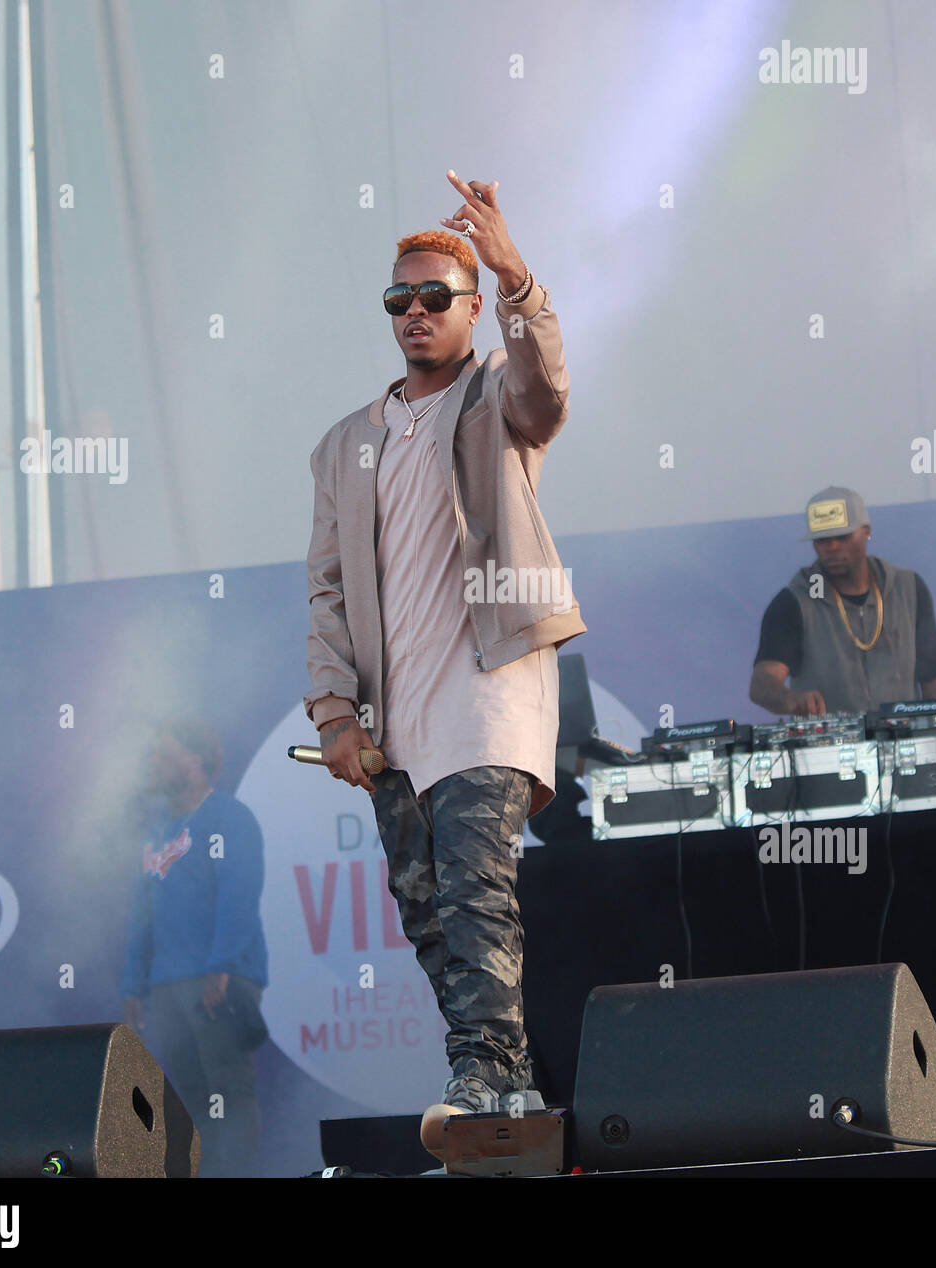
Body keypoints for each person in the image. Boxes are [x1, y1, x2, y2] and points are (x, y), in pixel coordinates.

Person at [303, 171, 584, 1147]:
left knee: (473, 884)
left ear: (469, 309)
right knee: (427, 912)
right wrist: (334, 710)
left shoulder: (491, 401)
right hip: (393, 719)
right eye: (399, 299)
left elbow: (544, 386)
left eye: (435, 296)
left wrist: (518, 279)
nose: (415, 312)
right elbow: (328, 589)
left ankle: (486, 1073)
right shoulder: (346, 443)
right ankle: (503, 1080)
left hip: (488, 690)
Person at [121, 719, 269, 1177]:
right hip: (166, 985)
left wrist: (221, 967)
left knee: (229, 1088)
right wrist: (134, 986)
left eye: (165, 755)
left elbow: (239, 894)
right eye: (153, 757)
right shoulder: (156, 835)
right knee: (186, 1097)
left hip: (218, 979)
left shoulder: (228, 817)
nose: (155, 764)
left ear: (197, 759)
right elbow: (141, 916)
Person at [749, 487, 936, 716]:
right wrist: (790, 699)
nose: (833, 547)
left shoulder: (908, 588)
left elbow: (935, 680)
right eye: (822, 540)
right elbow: (762, 684)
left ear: (866, 532)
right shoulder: (794, 601)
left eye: (843, 537)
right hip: (828, 747)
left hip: (905, 739)